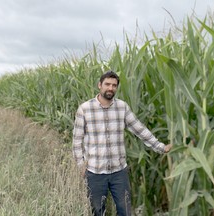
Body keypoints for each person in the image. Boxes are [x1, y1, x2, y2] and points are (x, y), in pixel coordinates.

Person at [72, 71, 172, 216]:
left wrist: (161, 147)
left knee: (125, 211)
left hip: (119, 171)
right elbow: (77, 140)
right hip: (95, 172)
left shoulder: (122, 107)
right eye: (107, 84)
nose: (110, 88)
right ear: (99, 85)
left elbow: (140, 129)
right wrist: (80, 166)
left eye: (114, 85)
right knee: (97, 211)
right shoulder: (85, 109)